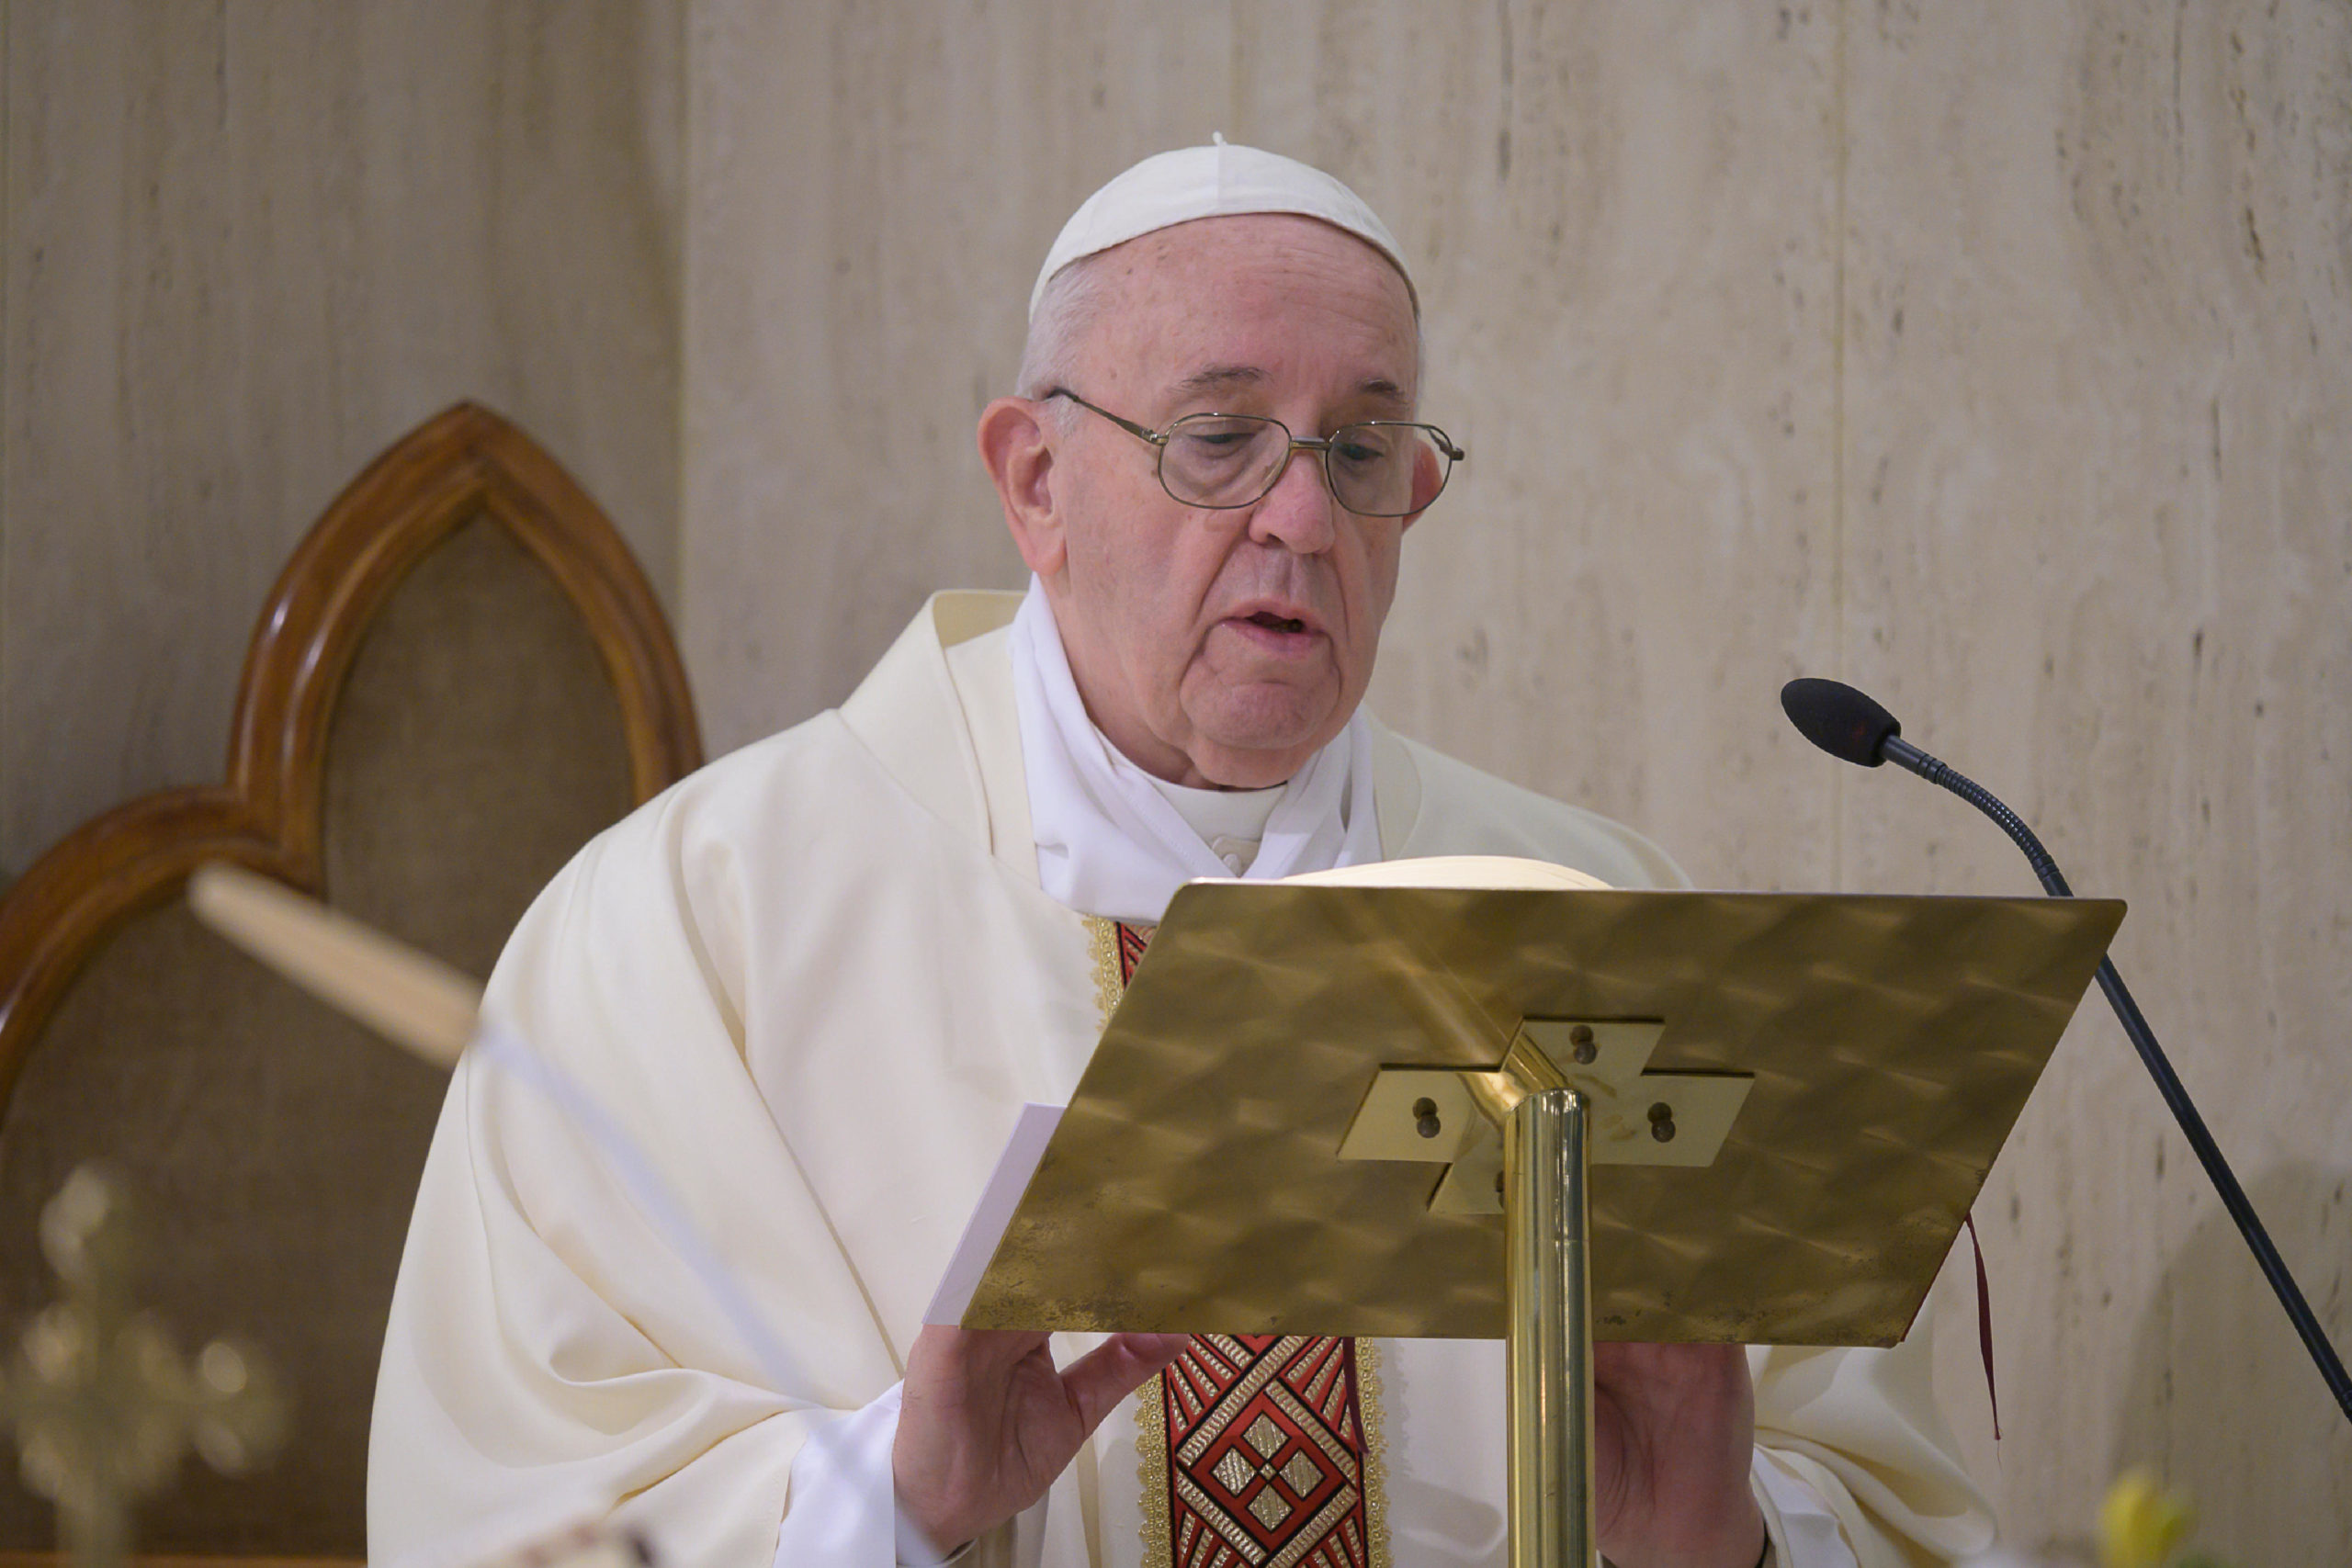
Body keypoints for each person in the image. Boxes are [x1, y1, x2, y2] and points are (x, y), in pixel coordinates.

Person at [369, 142, 1993, 1568]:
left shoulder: (1604, 925)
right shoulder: (686, 929)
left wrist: (1722, 1547)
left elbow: (1890, 1502)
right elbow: (513, 1512)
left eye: (1365, 452)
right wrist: (889, 1503)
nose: (1302, 518)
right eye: (1220, 438)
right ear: (1035, 482)